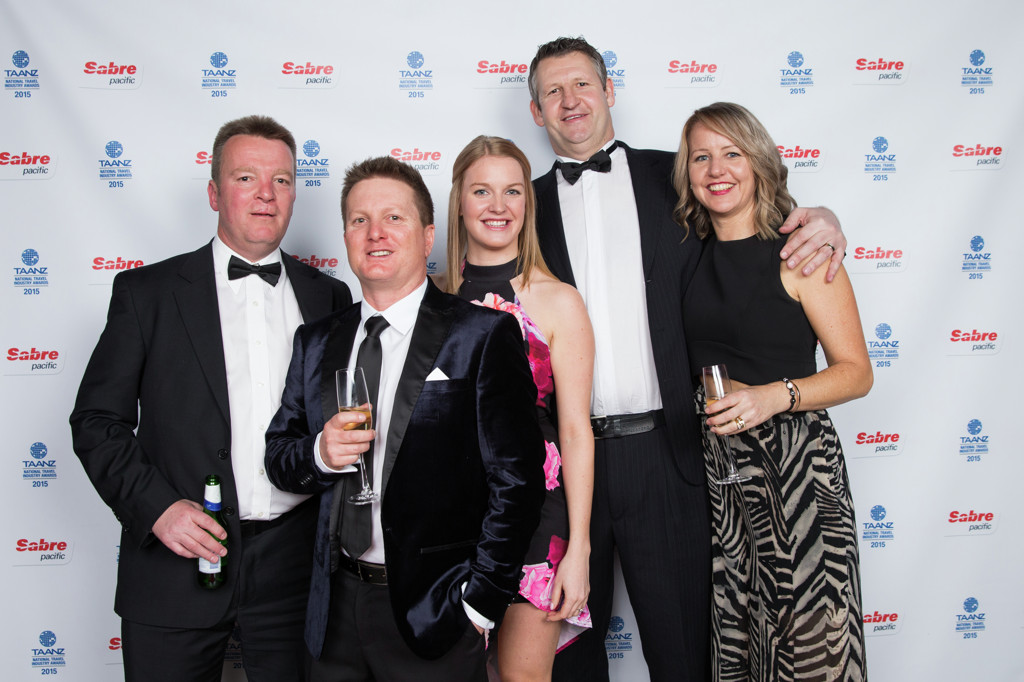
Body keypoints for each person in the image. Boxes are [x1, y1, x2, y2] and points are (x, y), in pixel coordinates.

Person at [526, 37, 850, 682]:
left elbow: (753, 218)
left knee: (684, 657)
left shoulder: (675, 177)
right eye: (553, 91)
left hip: (669, 455)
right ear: (536, 112)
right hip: (565, 466)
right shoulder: (522, 205)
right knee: (567, 662)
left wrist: (825, 219)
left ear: (609, 90)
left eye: (583, 84)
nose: (571, 100)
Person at [69, 115, 353, 681]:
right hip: (174, 566)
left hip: (295, 571)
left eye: (281, 180)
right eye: (246, 178)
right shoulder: (146, 294)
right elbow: (97, 421)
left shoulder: (331, 296)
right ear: (214, 193)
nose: (266, 194)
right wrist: (158, 509)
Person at [263, 155, 546, 681]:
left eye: (394, 217)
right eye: (360, 220)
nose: (376, 233)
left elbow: (519, 480)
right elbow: (279, 456)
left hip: (436, 611)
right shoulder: (317, 341)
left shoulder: (481, 334)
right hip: (333, 610)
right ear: (346, 237)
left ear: (427, 235)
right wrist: (320, 454)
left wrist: (479, 603)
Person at [675, 101, 871, 681]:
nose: (717, 170)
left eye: (731, 153)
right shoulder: (686, 253)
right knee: (742, 646)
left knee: (811, 649)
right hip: (721, 480)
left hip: (798, 474)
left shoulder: (801, 253)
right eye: (701, 157)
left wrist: (772, 396)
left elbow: (856, 372)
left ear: (759, 161)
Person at [445, 135, 596, 680]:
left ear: (527, 204)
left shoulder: (559, 300)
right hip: (449, 520)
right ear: (459, 202)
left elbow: (575, 431)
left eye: (512, 191)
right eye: (481, 191)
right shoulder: (432, 299)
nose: (498, 205)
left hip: (536, 517)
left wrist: (579, 549)